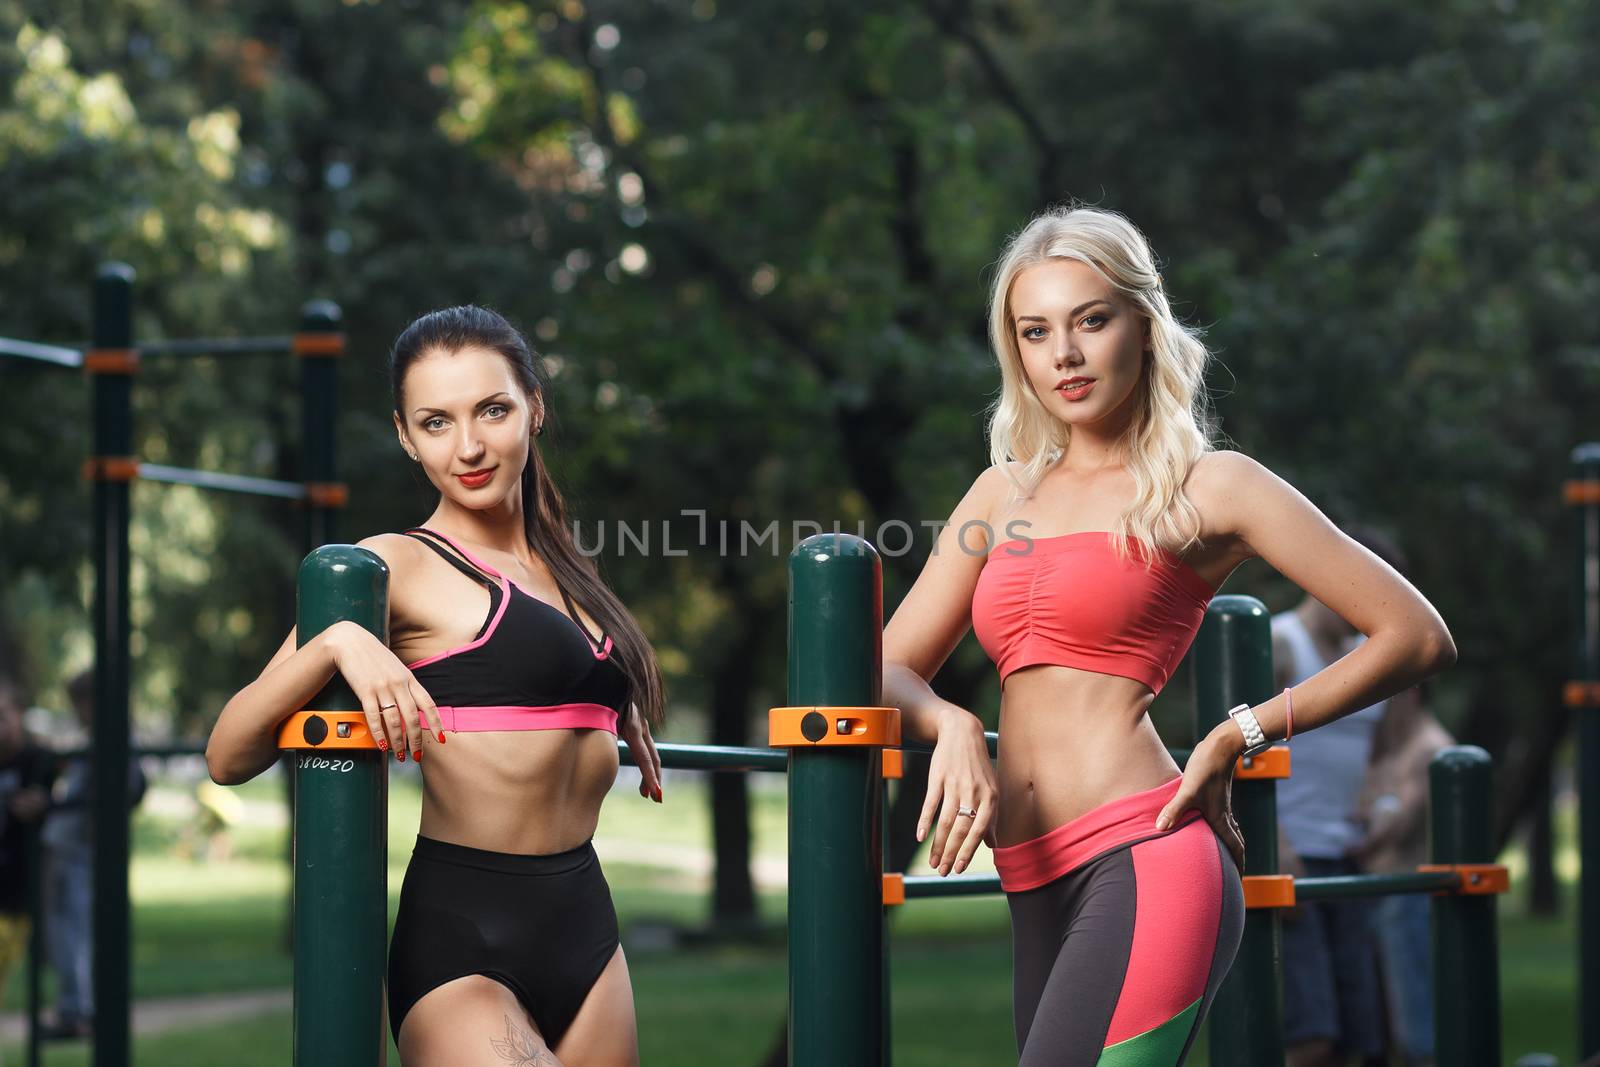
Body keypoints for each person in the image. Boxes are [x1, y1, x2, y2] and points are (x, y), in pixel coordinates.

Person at [880, 206, 1456, 1066]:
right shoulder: (1001, 495)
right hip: (1030, 875)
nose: (1064, 355)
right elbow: (882, 664)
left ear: (1143, 328)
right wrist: (951, 723)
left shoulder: (1211, 486)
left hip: (1148, 857)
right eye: (1036, 332)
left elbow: (1414, 634)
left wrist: (1239, 733)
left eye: (1091, 320)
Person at [206, 306, 666, 1067]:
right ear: (404, 435)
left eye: (493, 409)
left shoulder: (571, 571)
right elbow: (227, 750)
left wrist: (614, 703)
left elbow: (536, 689)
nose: (470, 446)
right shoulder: (396, 564)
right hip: (465, 936)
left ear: (535, 407)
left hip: (586, 921)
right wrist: (338, 641)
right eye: (436, 422)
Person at [1272, 544, 1400, 1067]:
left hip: (1350, 857)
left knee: (1362, 1036)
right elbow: (1229, 743)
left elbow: (1386, 755)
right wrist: (1273, 844)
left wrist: (1385, 804)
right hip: (1291, 859)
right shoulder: (1282, 642)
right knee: (1311, 1035)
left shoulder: (1379, 651)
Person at [40, 670, 148, 1041]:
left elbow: (130, 788)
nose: (78, 711)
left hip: (82, 849)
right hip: (73, 846)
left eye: (79, 703)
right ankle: (75, 1006)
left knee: (75, 929)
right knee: (68, 928)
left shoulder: (112, 737)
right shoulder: (98, 738)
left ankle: (79, 1011)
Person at [1354, 681, 1452, 1067]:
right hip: (1385, 895)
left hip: (1405, 898)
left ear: (1409, 693)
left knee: (1415, 1028)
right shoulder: (1397, 746)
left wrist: (1358, 837)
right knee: (1385, 1026)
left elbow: (1398, 824)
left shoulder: (1429, 747)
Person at [0, 677, 55, 1023]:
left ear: (20, 715)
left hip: (13, 900)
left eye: (3, 715)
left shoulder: (39, 760)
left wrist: (44, 804)